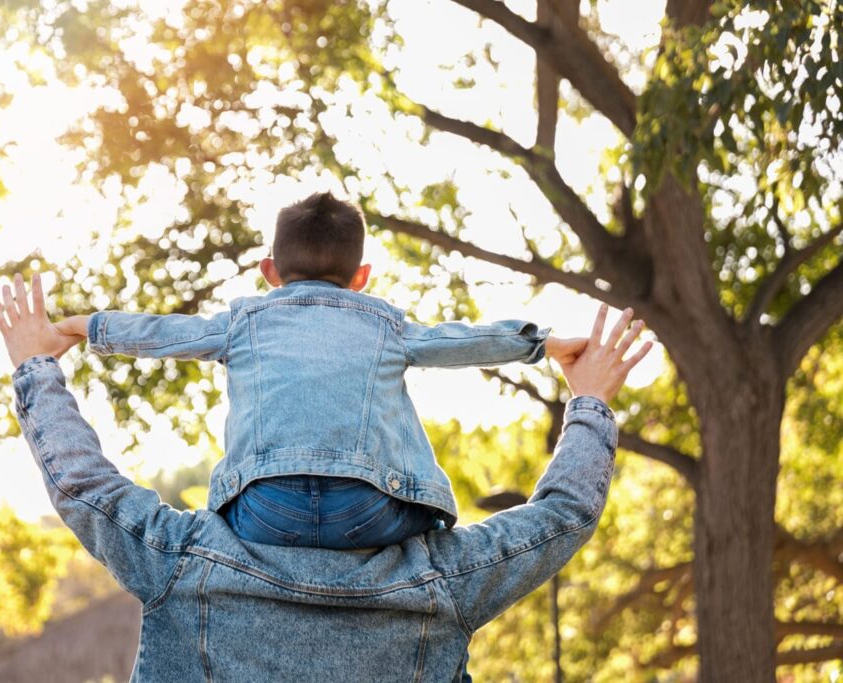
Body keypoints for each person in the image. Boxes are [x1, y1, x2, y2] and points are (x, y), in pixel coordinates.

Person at [0, 271, 651, 681]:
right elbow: (565, 514)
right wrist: (589, 397)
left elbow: (82, 485)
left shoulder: (182, 563)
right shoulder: (440, 583)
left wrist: (36, 366)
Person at [47, 192, 589, 549]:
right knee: (430, 533)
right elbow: (459, 341)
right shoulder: (384, 323)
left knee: (231, 521)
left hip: (265, 512)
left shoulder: (243, 321)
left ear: (269, 272)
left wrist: (79, 327)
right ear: (362, 277)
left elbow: (163, 332)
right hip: (367, 511)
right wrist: (544, 344)